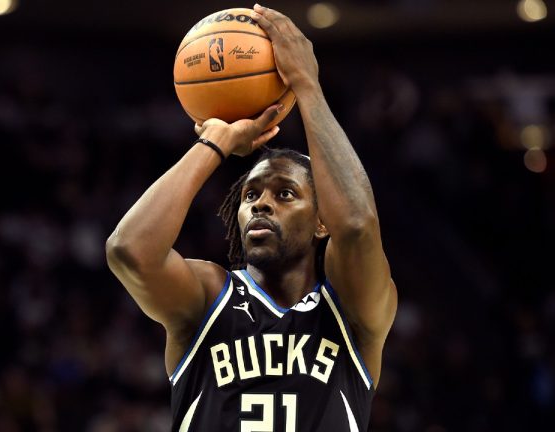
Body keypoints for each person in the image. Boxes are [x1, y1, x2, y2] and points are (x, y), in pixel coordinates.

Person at [106, 4, 397, 431]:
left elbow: (355, 225)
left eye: (285, 194)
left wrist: (307, 86)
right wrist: (215, 144)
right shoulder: (208, 297)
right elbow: (128, 250)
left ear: (321, 222)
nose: (261, 204)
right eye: (250, 194)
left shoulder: (350, 307)